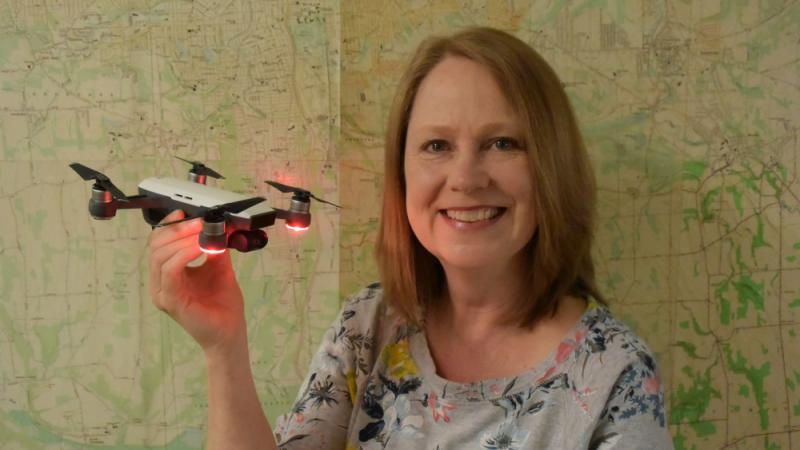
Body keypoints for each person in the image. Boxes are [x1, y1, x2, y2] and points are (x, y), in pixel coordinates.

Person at [148, 27, 673, 449]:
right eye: (437, 145)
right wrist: (224, 348)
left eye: (503, 143)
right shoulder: (367, 326)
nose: (466, 179)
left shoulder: (614, 376)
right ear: (402, 175)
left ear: (552, 168)